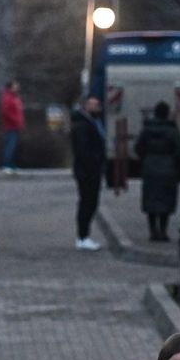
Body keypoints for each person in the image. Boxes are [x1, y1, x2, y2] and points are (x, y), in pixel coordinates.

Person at [134, 102, 180, 242]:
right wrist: (174, 161)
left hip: (150, 167)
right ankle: (163, 231)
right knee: (166, 200)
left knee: (150, 200)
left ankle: (152, 231)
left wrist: (145, 159)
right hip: (168, 169)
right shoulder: (172, 131)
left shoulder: (147, 130)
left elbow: (138, 147)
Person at [70, 94, 106, 251]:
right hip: (87, 170)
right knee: (87, 202)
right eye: (92, 104)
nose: (95, 107)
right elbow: (83, 150)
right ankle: (83, 236)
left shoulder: (91, 122)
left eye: (97, 105)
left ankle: (84, 236)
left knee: (90, 202)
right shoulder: (82, 125)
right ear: (85, 106)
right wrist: (93, 163)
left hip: (90, 169)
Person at [0, 80, 24, 174]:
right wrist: (15, 120)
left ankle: (12, 165)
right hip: (11, 126)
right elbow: (6, 112)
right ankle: (6, 165)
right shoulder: (8, 98)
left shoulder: (14, 97)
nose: (17, 87)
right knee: (10, 146)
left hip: (16, 125)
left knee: (14, 146)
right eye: (15, 86)